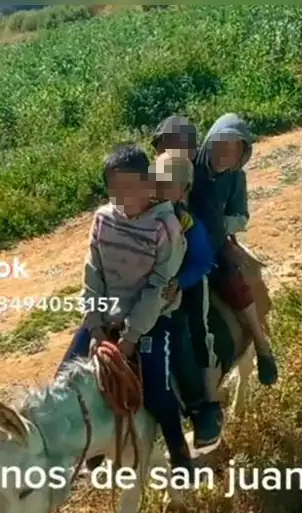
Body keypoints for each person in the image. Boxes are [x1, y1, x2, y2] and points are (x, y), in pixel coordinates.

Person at [59, 144, 191, 468]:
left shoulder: (165, 228)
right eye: (114, 189)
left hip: (150, 320)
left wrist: (130, 338)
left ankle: (179, 454)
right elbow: (93, 271)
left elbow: (158, 286)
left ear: (148, 185)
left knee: (158, 391)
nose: (122, 196)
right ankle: (88, 451)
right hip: (105, 317)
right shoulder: (102, 220)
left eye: (130, 187)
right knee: (64, 381)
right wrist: (95, 326)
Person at [189, 113, 278, 386]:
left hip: (214, 244)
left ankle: (262, 346)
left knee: (234, 281)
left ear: (242, 153)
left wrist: (221, 225)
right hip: (179, 240)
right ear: (209, 143)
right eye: (221, 145)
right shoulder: (190, 168)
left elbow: (241, 216)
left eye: (233, 149)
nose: (225, 153)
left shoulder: (236, 178)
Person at [152, 150, 224, 448]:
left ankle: (206, 406)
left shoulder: (187, 223)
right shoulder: (141, 215)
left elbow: (203, 261)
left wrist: (180, 282)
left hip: (188, 283)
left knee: (196, 330)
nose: (159, 189)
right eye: (156, 181)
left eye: (168, 183)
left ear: (183, 190)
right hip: (150, 286)